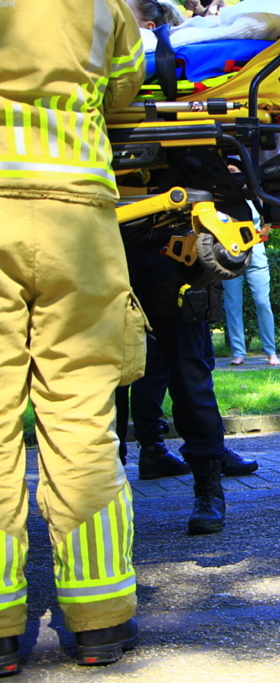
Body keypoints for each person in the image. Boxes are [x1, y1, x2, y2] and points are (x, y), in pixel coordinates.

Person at [0, 0, 146, 672]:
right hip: (78, 211)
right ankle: (99, 621)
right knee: (83, 418)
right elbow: (125, 92)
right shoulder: (105, 4)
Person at [113, 1, 259, 486]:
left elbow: (226, 185)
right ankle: (111, 478)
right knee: (104, 372)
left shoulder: (184, 96)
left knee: (186, 368)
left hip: (167, 246)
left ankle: (208, 483)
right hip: (113, 239)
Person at [222, 169, 280, 367]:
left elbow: (268, 224)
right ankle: (238, 353)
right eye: (228, 171)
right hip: (231, 253)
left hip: (255, 251)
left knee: (263, 302)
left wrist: (258, 236)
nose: (233, 175)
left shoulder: (256, 197)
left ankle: (271, 352)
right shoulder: (223, 200)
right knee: (232, 304)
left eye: (235, 171)